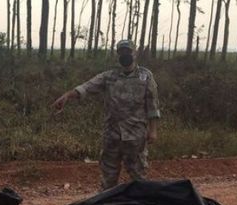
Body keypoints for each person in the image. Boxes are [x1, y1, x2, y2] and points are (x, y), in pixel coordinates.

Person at [52, 39, 161, 190]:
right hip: (112, 136)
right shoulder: (109, 76)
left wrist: (153, 130)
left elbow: (152, 105)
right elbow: (87, 87)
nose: (124, 55)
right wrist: (66, 96)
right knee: (108, 178)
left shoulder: (145, 76)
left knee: (139, 177)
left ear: (134, 53)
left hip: (135, 137)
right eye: (121, 52)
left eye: (128, 52)